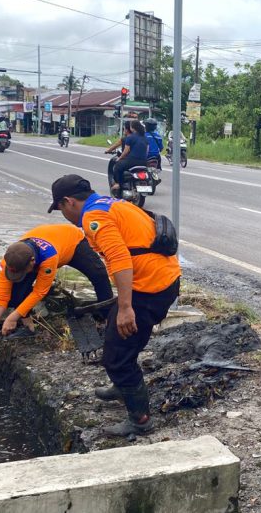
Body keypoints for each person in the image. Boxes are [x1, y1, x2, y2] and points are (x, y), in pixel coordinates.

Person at [48, 174, 181, 436]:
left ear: (68, 202)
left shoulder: (93, 218)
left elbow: (120, 258)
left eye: (60, 208)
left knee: (116, 358)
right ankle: (122, 388)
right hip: (163, 279)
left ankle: (140, 420)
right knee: (115, 335)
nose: (62, 214)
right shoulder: (113, 204)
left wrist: (125, 307)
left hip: (150, 288)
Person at [0, 224, 114, 352]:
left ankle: (109, 321)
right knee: (17, 290)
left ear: (32, 262)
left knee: (100, 275)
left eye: (21, 272)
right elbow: (1, 297)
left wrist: (13, 317)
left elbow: (39, 292)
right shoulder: (9, 260)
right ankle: (29, 328)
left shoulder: (48, 258)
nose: (17, 275)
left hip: (73, 241)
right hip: (44, 246)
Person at [112, 120, 148, 195]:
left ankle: (119, 184)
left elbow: (125, 151)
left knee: (117, 166)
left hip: (132, 161)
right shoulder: (145, 138)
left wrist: (120, 158)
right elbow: (147, 151)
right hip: (144, 162)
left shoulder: (130, 137)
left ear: (132, 128)